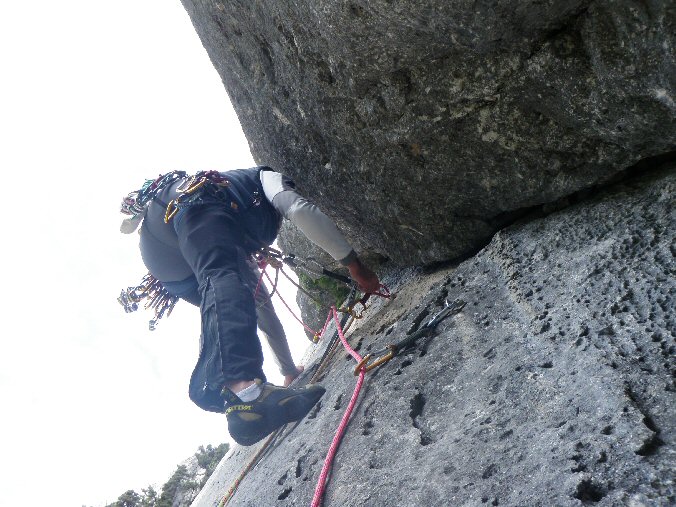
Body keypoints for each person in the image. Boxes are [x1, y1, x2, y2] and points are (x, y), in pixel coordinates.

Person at [119, 166, 379, 446]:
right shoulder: (265, 176)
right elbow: (297, 208)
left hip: (166, 263)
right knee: (223, 277)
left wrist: (289, 370)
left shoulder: (234, 225)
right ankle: (244, 392)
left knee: (231, 296)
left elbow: (258, 310)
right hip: (190, 205)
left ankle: (243, 396)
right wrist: (354, 264)